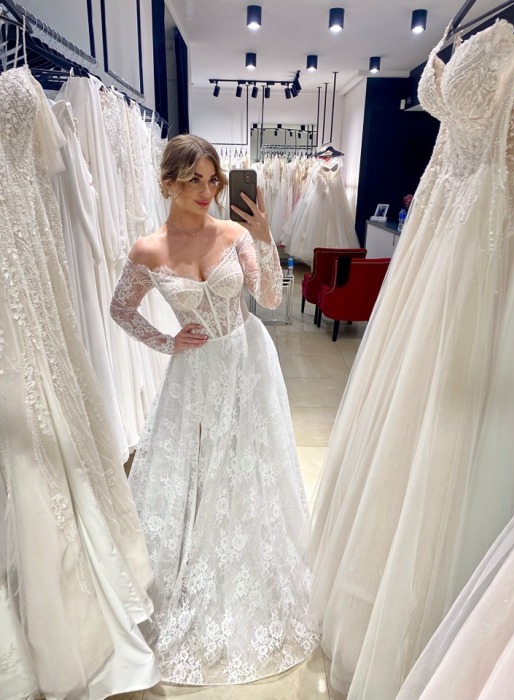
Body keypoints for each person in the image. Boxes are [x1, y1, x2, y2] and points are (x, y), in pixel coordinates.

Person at [110, 134, 319, 685]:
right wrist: (166, 341)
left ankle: (246, 559)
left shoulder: (233, 234)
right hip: (196, 369)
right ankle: (190, 563)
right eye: (193, 181)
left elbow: (269, 298)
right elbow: (120, 309)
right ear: (168, 184)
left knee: (246, 461)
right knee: (197, 466)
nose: (206, 191)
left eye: (212, 180)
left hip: (246, 359)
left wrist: (264, 238)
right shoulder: (147, 250)